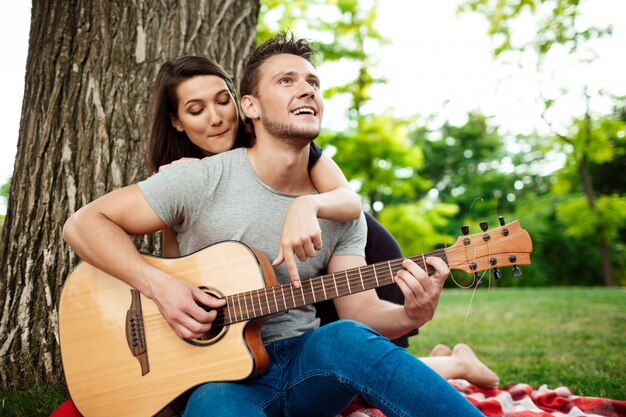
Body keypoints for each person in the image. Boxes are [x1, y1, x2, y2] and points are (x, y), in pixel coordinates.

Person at [63, 33, 486, 416]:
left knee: (346, 336)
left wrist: (413, 315)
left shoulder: (339, 209)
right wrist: (163, 288)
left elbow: (362, 312)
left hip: (307, 363)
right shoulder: (196, 178)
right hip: (218, 382)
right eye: (286, 81)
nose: (306, 89)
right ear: (251, 106)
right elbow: (83, 225)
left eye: (313, 83)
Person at [147, 55, 499, 390]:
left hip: (341, 251)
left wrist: (307, 205)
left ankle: (456, 365)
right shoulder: (184, 178)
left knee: (350, 365)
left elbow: (348, 200)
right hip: (287, 280)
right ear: (176, 121)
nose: (215, 118)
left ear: (243, 104)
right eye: (196, 110)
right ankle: (453, 364)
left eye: (222, 101)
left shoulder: (279, 145)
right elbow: (176, 266)